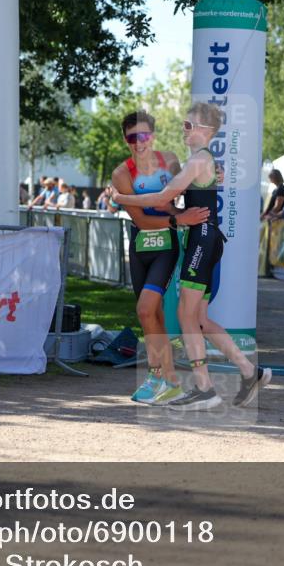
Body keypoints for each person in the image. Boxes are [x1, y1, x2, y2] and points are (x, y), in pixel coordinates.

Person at [112, 102, 271, 410]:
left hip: (202, 239)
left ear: (205, 130)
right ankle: (249, 371)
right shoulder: (199, 160)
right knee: (199, 319)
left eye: (187, 125)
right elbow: (173, 199)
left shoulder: (198, 160)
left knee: (186, 315)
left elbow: (164, 197)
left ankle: (204, 389)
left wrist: (121, 197)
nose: (183, 130)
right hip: (204, 239)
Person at [109, 110, 209, 405]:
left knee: (145, 308)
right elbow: (141, 221)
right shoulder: (121, 174)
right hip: (140, 246)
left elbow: (190, 186)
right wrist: (178, 219)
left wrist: (215, 176)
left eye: (143, 136)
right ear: (125, 140)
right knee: (151, 315)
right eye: (132, 138)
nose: (139, 143)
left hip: (166, 246)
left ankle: (160, 378)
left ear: (152, 135)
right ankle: (168, 380)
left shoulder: (170, 161)